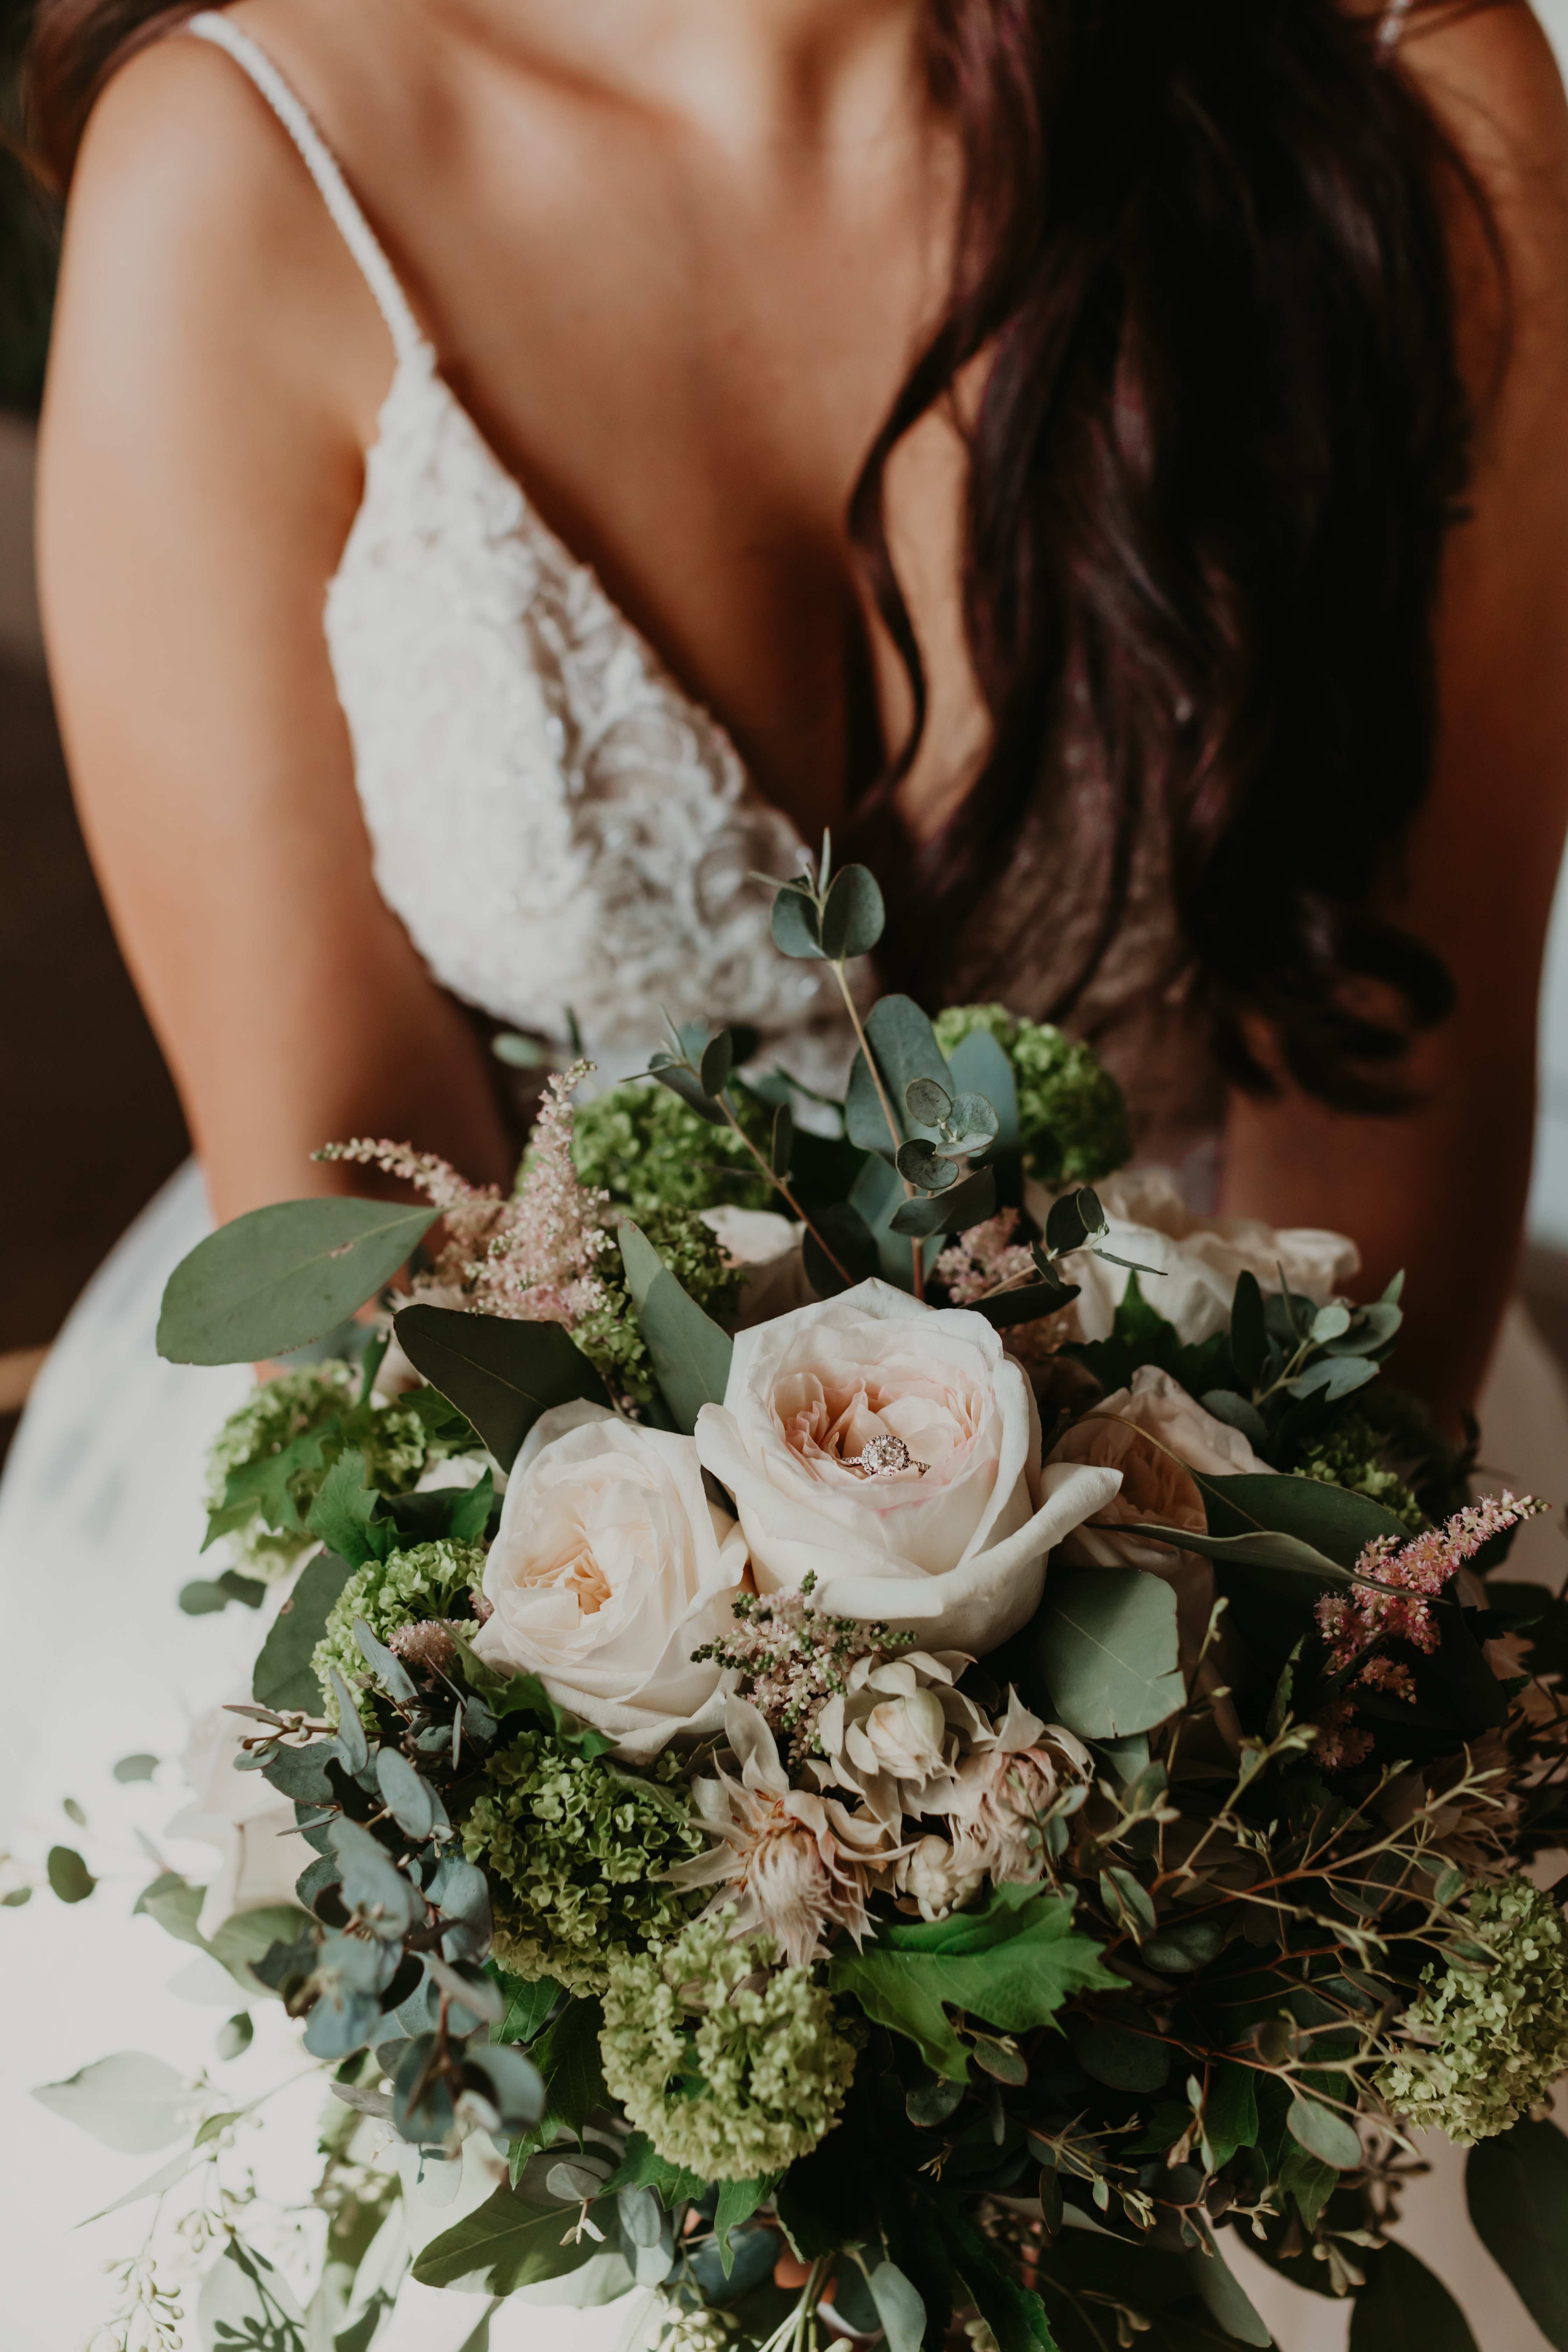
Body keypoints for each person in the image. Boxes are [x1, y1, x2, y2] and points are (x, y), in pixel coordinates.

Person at [3, 2, 1568, 2346]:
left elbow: (1396, 1109)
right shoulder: (246, 164)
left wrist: (1146, 1820)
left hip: (1257, 1508)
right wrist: (728, 1832)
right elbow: (353, 1223)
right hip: (527, 1577)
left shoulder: (1408, 89)